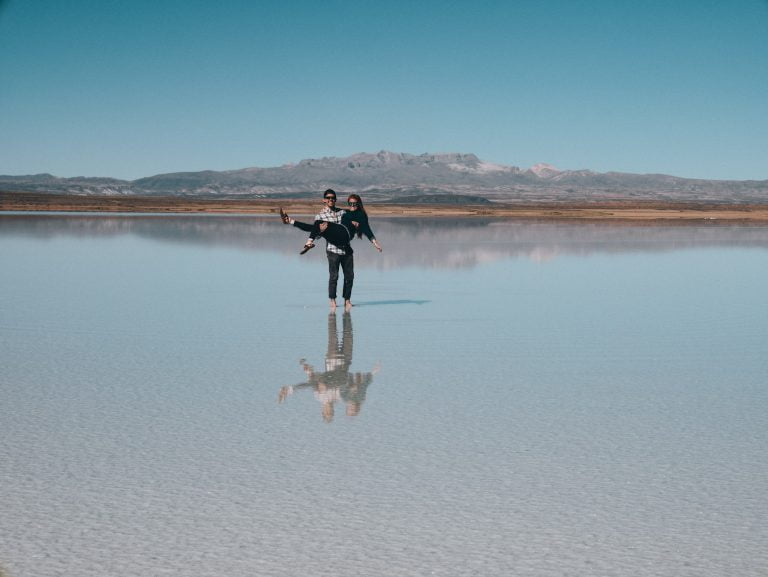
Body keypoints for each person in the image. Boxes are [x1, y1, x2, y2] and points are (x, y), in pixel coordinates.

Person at [280, 190, 381, 312]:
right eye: (328, 198)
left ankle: (347, 301)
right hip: (332, 249)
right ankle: (332, 302)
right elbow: (314, 231)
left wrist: (372, 240)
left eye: (333, 198)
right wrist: (321, 231)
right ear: (324, 200)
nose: (330, 200)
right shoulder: (320, 216)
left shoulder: (342, 212)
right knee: (334, 276)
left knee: (350, 276)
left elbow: (364, 226)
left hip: (346, 246)